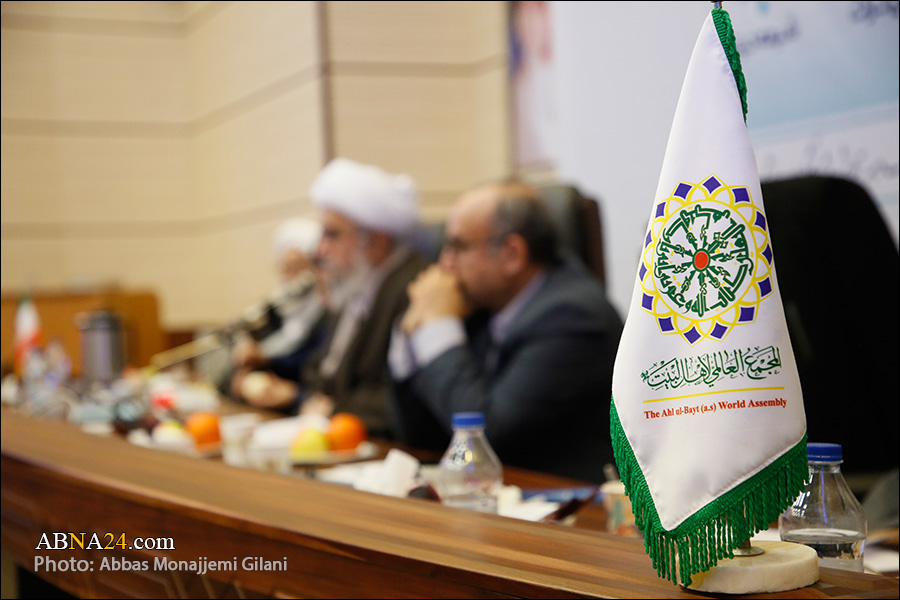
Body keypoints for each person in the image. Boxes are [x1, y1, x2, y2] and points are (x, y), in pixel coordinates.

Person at [389, 181, 623, 483]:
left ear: (512, 254)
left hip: (571, 501)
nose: (445, 264)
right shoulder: (481, 307)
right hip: (495, 494)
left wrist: (437, 325)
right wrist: (415, 330)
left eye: (458, 247)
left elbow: (486, 436)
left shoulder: (573, 317)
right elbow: (423, 439)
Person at [240, 158, 430, 438]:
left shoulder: (414, 288)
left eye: (332, 235)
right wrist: (302, 397)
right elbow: (321, 372)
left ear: (376, 241)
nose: (320, 250)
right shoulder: (357, 286)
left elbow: (410, 402)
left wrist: (334, 409)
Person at [228, 218, 328, 413]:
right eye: (286, 267)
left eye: (298, 267)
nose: (291, 276)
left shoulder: (326, 315)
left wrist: (294, 395)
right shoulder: (275, 312)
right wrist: (244, 376)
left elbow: (312, 369)